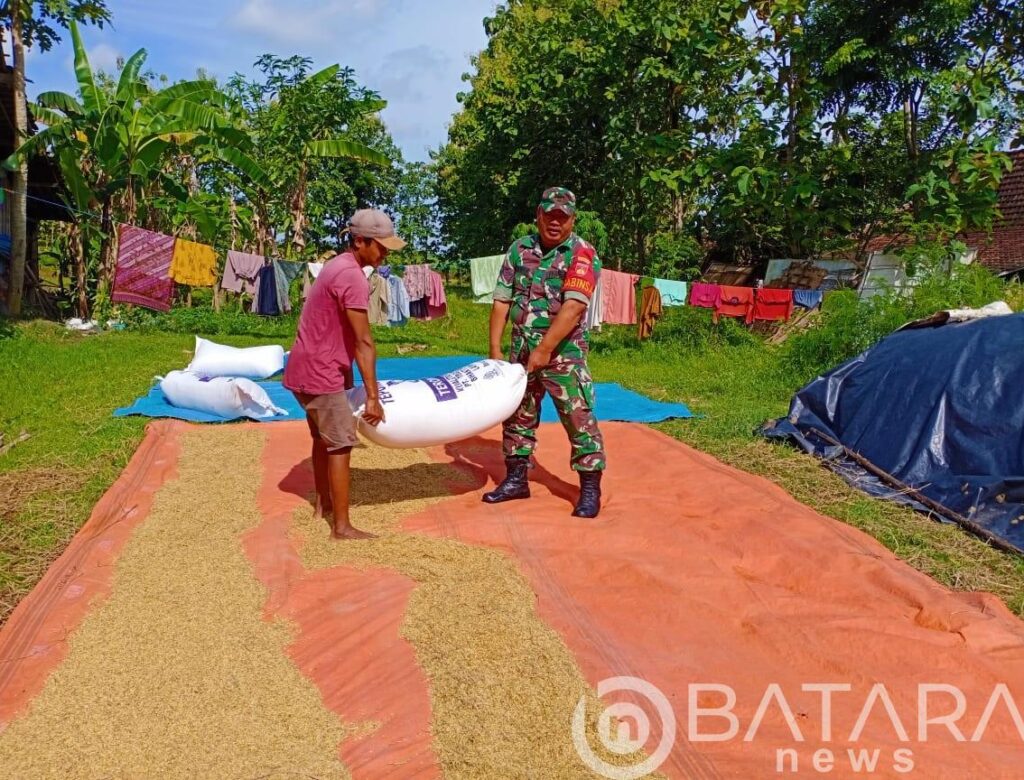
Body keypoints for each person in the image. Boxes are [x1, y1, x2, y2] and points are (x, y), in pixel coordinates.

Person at [483, 186, 607, 518]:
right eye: (549, 215)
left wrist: (545, 349)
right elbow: (502, 299)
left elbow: (573, 308)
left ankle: (590, 489)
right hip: (520, 352)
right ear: (538, 214)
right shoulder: (519, 249)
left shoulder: (582, 254)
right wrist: (495, 349)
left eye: (562, 217)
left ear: (572, 220)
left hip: (563, 355)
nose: (555, 222)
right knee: (516, 414)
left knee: (578, 418)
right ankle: (516, 480)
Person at [283, 208, 406, 540]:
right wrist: (373, 397)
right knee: (340, 445)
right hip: (321, 372)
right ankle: (342, 527)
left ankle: (323, 504)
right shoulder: (351, 276)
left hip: (303, 367)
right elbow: (364, 342)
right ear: (360, 241)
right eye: (380, 246)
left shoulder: (336, 265)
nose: (385, 253)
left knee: (323, 441)